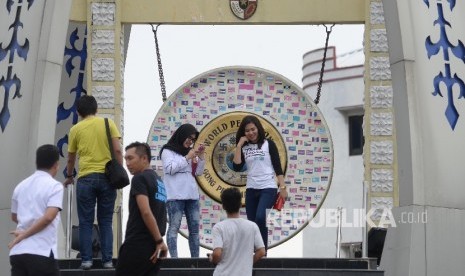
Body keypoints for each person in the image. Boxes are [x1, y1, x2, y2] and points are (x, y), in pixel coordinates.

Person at [64, 95, 123, 270]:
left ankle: (87, 260)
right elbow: (118, 150)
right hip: (107, 178)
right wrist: (119, 169)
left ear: (78, 112)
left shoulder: (75, 129)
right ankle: (107, 261)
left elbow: (71, 157)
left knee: (85, 221)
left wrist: (69, 175)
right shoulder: (108, 123)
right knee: (105, 221)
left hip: (85, 178)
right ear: (96, 109)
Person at [232, 115, 288, 251]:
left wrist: (282, 187)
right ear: (243, 133)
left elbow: (277, 166)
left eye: (253, 129)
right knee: (252, 223)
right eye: (247, 131)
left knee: (261, 217)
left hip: (268, 187)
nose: (251, 133)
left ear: (258, 128)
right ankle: (256, 253)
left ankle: (262, 252)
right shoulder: (244, 147)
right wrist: (239, 145)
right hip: (251, 189)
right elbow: (237, 167)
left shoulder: (269, 144)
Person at [9, 144, 64, 276]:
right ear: (56, 164)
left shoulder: (20, 186)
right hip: (41, 250)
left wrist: (24, 232)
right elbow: (48, 217)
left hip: (18, 253)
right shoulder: (55, 186)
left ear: (36, 162)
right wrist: (26, 234)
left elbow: (15, 217)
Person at [116, 142, 168, 276]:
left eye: (130, 158)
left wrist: (159, 240)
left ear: (144, 158)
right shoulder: (158, 181)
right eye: (125, 159)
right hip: (154, 248)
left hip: (138, 245)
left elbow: (146, 211)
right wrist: (159, 241)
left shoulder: (139, 178)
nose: (127, 163)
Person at [159, 123, 205, 257]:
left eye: (193, 139)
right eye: (189, 138)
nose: (190, 141)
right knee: (174, 227)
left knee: (195, 230)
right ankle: (174, 259)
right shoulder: (167, 150)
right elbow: (170, 169)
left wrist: (201, 157)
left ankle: (195, 260)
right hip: (175, 195)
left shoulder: (190, 152)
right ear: (182, 135)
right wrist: (187, 158)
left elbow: (199, 172)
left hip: (192, 195)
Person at [209, 187, 266, 276]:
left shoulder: (219, 227)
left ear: (223, 206)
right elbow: (262, 252)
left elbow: (217, 254)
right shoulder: (252, 226)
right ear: (240, 205)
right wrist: (247, 263)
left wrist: (212, 259)